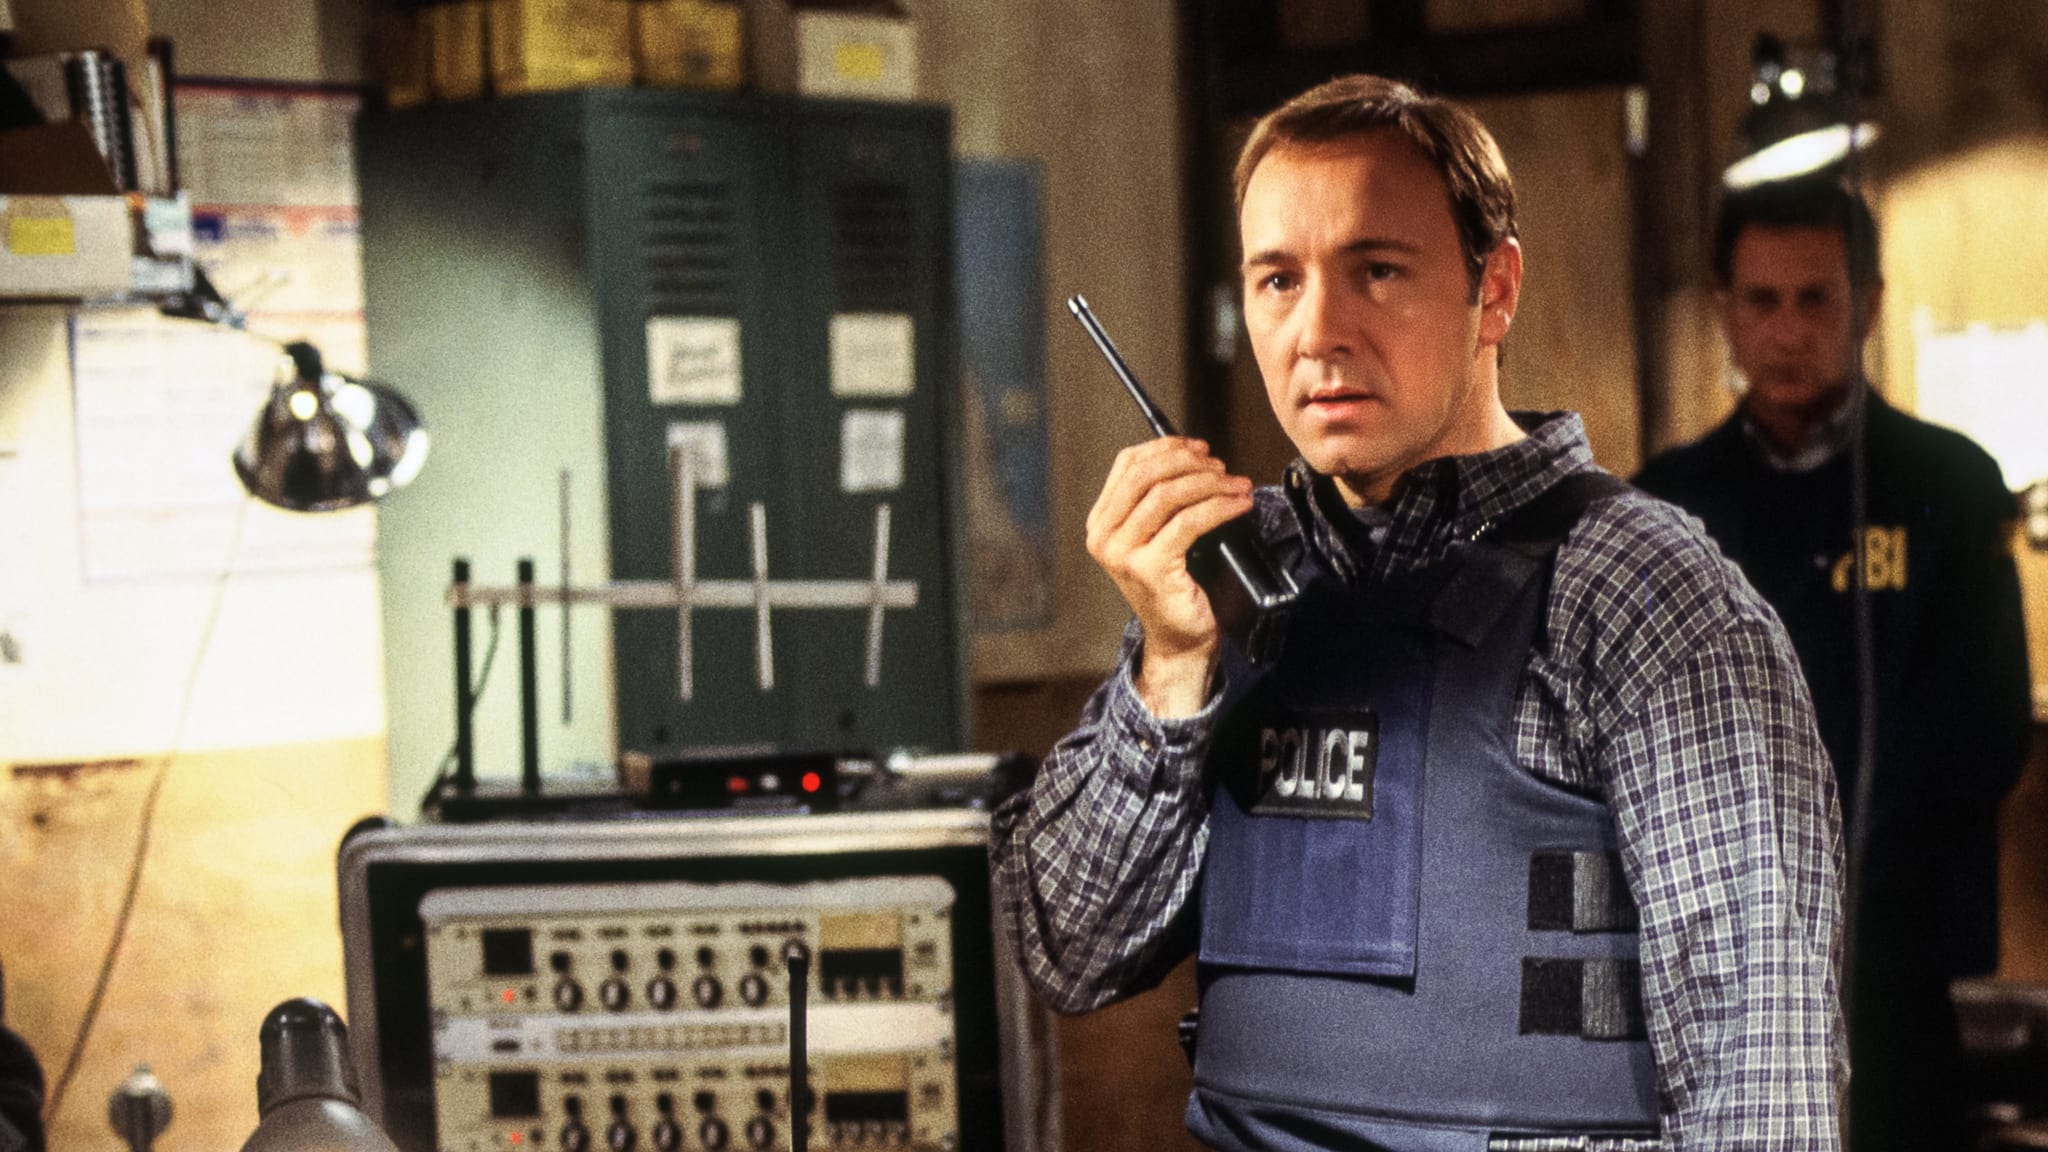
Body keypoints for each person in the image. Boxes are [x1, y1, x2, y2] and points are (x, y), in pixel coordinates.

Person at [989, 73, 1845, 1152]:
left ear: (1495, 291)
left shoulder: (1641, 592)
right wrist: (1168, 666)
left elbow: (1763, 1077)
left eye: (1377, 271)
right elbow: (1071, 954)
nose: (1317, 333)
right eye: (1277, 280)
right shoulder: (1222, 589)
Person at [1633, 176, 2032, 1152]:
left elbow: (1983, 728)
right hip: (1714, 960)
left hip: (1895, 958)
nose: (1786, 330)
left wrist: (1830, 857)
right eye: (1761, 300)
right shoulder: (1668, 502)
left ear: (1867, 305)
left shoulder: (1948, 484)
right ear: (1723, 308)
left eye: (1815, 299)